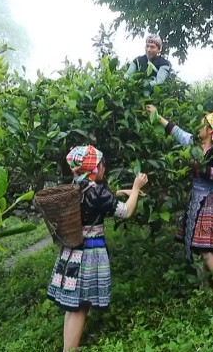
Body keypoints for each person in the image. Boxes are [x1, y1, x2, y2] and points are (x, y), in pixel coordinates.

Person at [47, 145, 148, 351]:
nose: (104, 167)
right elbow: (126, 212)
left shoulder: (75, 185)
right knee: (81, 306)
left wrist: (125, 191)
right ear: (93, 169)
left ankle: (68, 347)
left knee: (72, 304)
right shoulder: (99, 192)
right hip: (89, 254)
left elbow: (103, 197)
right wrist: (137, 187)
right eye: (101, 164)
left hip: (71, 252)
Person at [146, 104, 213, 286]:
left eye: (202, 125)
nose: (198, 128)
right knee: (200, 247)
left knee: (206, 248)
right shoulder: (195, 145)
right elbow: (177, 132)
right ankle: (207, 290)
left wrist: (199, 166)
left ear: (211, 130)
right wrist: (156, 116)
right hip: (197, 201)